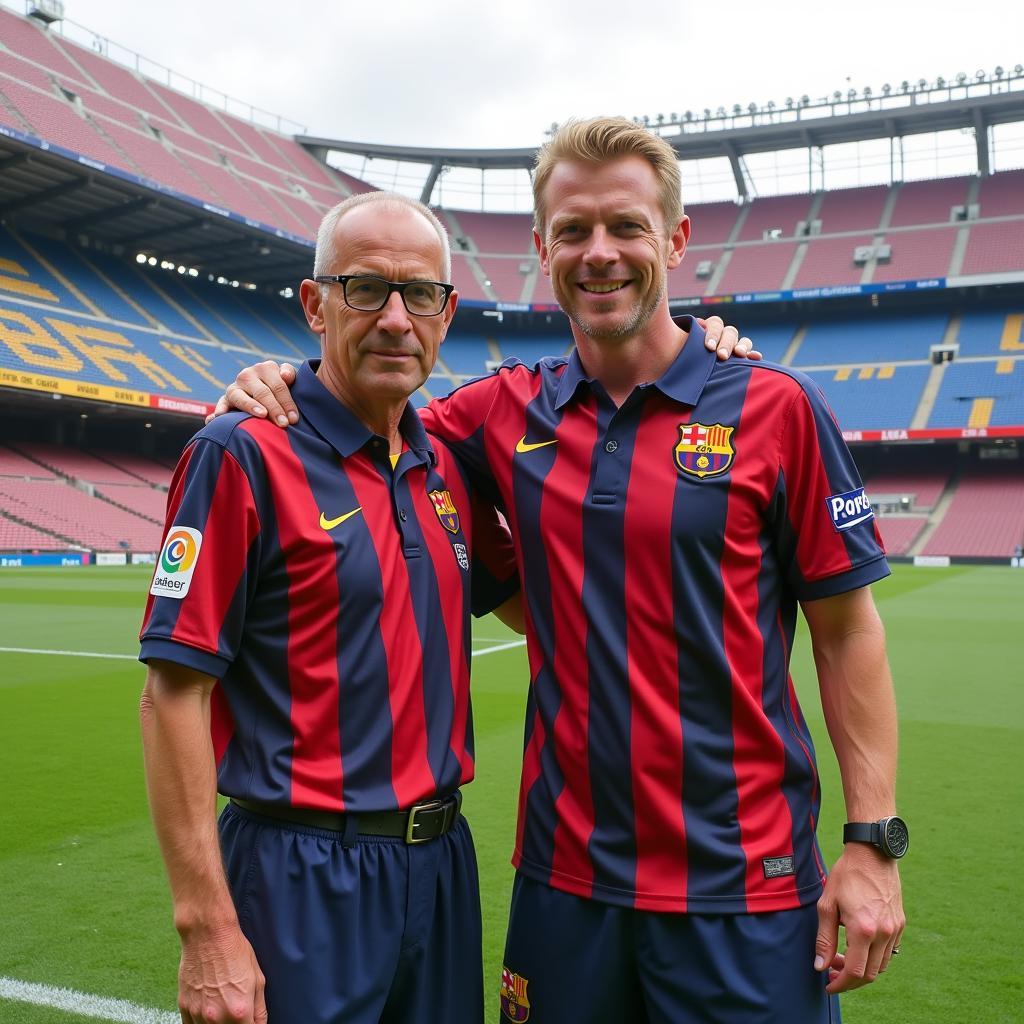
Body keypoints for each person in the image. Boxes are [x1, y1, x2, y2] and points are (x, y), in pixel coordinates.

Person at [215, 117, 905, 1024]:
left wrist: (871, 843)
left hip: (746, 886)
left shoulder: (777, 410)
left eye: (626, 227)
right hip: (564, 884)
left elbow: (848, 631)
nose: (600, 253)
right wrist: (275, 384)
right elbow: (365, 420)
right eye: (573, 231)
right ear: (542, 248)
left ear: (676, 238)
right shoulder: (494, 413)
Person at [139, 193, 524, 1024]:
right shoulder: (241, 453)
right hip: (297, 873)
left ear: (447, 315)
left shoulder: (445, 468)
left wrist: (712, 352)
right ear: (314, 304)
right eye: (364, 289)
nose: (394, 319)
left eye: (419, 294)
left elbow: (538, 611)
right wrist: (205, 927)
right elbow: (173, 693)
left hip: (442, 865)